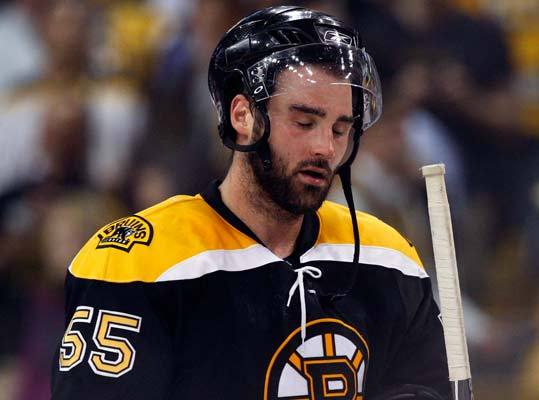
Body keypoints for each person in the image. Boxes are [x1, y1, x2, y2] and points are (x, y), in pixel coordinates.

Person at [51, 6, 451, 399]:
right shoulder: (141, 262)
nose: (326, 148)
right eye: (304, 123)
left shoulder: (387, 259)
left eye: (339, 129)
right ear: (243, 117)